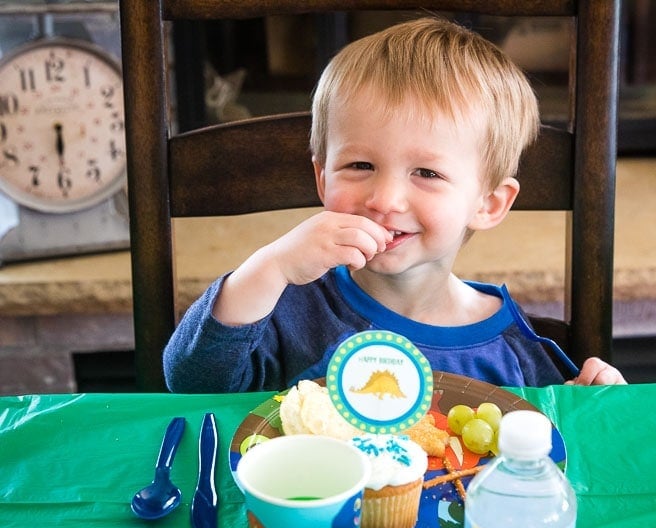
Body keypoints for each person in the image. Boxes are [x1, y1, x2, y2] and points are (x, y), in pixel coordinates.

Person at [163, 16, 626, 393]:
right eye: (360, 165)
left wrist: (591, 398)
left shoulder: (512, 350)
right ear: (322, 178)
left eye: (427, 173)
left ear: (488, 204)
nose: (383, 200)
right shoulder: (290, 310)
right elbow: (190, 380)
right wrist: (272, 266)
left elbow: (554, 448)